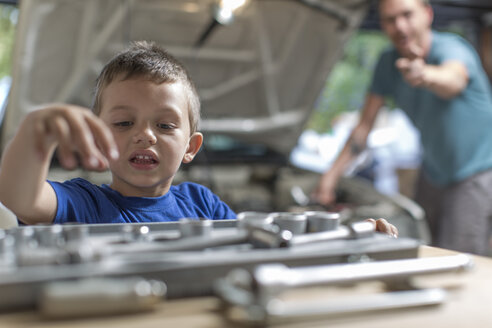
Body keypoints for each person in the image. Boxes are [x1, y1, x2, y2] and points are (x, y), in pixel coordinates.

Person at [314, 0, 492, 255]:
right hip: (432, 172)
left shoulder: (452, 48)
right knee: (420, 245)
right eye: (390, 19)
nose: (400, 26)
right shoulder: (388, 64)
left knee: (457, 257)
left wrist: (424, 75)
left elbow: (453, 79)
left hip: (476, 172)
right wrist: (329, 179)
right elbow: (364, 128)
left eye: (407, 15)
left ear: (427, 14)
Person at [0, 41, 236, 224]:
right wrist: (34, 131)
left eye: (164, 125)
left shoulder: (202, 203)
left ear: (191, 147)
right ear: (96, 137)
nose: (145, 135)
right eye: (123, 123)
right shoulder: (85, 203)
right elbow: (19, 199)